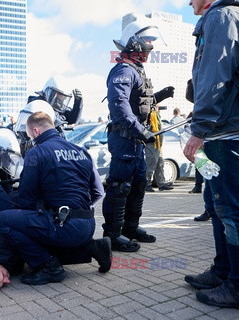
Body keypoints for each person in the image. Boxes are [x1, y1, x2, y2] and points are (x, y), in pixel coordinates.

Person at [0, 111, 110, 285]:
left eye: (29, 135)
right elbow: (98, 192)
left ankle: (48, 266)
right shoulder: (81, 151)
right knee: (46, 226)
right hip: (87, 225)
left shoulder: (37, 153)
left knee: (4, 220)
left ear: (35, 131)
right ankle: (93, 248)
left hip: (65, 227)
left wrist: (35, 218)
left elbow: (26, 198)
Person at [183, 0, 239, 308]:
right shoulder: (225, 16)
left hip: (224, 133)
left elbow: (215, 76)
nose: (188, 1)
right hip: (226, 130)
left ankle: (236, 284)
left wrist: (199, 129)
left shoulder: (221, 16)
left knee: (230, 212)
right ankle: (224, 271)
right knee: (221, 209)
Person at [103, 20, 175, 252]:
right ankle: (112, 235)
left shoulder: (136, 71)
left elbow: (140, 103)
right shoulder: (123, 71)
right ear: (134, 43)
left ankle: (130, 228)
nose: (151, 46)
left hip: (135, 142)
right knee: (119, 187)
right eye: (148, 41)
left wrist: (160, 96)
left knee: (138, 185)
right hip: (125, 139)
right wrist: (141, 131)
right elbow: (120, 108)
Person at [145, 107, 174, 192]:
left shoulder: (156, 115)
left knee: (160, 164)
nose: (159, 108)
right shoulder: (149, 115)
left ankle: (161, 183)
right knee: (151, 164)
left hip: (158, 144)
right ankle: (147, 184)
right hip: (152, 144)